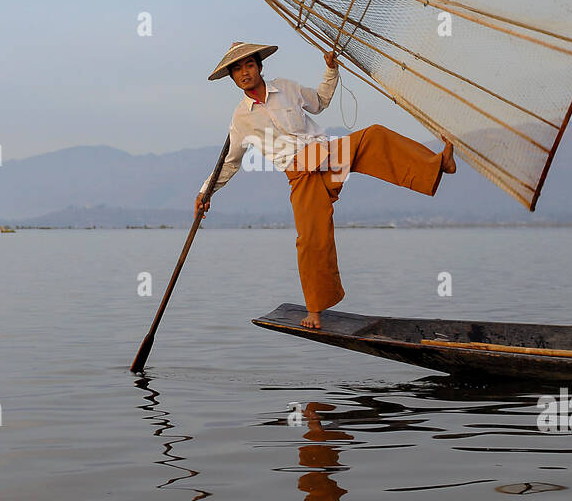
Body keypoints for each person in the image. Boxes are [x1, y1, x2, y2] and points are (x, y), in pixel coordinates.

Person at [195, 41, 455, 329]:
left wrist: (331, 70)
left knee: (375, 136)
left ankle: (438, 164)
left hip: (327, 154)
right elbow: (230, 162)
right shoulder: (241, 119)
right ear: (232, 77)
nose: (245, 72)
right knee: (311, 240)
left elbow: (319, 102)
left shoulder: (286, 88)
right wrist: (205, 192)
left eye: (249, 65)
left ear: (259, 67)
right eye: (238, 69)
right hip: (301, 174)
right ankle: (315, 310)